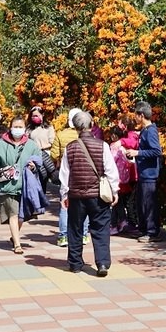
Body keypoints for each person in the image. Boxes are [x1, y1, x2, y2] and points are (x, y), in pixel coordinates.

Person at [59, 111, 119, 276]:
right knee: (101, 229)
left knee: (75, 229)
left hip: (76, 196)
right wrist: (114, 191)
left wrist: (64, 195)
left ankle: (75, 263)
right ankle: (102, 263)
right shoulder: (102, 146)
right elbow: (111, 172)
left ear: (75, 128)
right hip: (98, 196)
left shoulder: (70, 148)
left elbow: (65, 174)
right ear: (92, 125)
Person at [0, 115, 44, 254]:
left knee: (21, 216)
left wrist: (33, 165)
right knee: (13, 214)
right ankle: (17, 244)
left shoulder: (31, 145)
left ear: (25, 128)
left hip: (25, 186)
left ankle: (14, 236)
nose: (18, 130)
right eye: (16, 127)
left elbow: (39, 159)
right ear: (10, 127)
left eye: (21, 127)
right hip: (7, 186)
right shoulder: (1, 145)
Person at [50, 108, 88, 247]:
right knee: (85, 204)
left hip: (67, 173)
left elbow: (53, 155)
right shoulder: (86, 135)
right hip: (84, 173)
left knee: (65, 205)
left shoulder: (61, 135)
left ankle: (63, 236)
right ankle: (84, 235)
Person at [125, 101, 162, 243]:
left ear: (141, 115)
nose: (135, 117)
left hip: (149, 174)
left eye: (136, 115)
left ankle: (152, 232)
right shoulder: (145, 131)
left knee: (148, 203)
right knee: (142, 203)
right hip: (143, 173)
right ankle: (144, 229)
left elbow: (156, 151)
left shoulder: (151, 131)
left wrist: (138, 152)